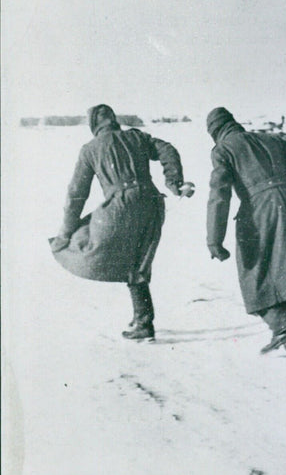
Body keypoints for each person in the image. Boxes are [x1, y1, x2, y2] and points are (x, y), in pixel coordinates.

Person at [49, 104, 193, 340]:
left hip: (122, 207)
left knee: (84, 240)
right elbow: (167, 149)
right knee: (139, 262)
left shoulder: (90, 149)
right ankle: (143, 320)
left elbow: (76, 194)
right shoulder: (136, 137)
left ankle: (143, 322)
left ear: (94, 124)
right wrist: (174, 182)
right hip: (153, 204)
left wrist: (64, 234)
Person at [205, 107, 286, 355]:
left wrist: (214, 238)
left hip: (260, 209)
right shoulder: (270, 139)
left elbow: (219, 195)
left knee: (254, 270)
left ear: (215, 131)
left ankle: (282, 329)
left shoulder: (223, 149)